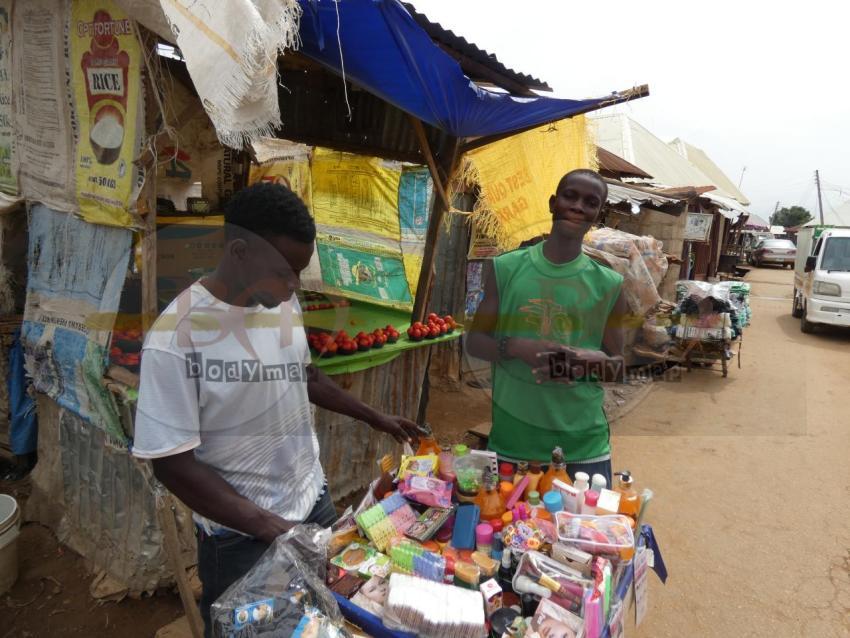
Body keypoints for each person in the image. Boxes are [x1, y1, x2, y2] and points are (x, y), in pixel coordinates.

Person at [131, 183, 420, 636]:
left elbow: (304, 375)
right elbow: (171, 465)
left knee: (318, 618)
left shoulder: (280, 302)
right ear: (241, 251)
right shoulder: (177, 339)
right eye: (286, 272)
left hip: (312, 502)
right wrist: (274, 528)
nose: (294, 286)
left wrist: (374, 416)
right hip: (242, 538)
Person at [467, 169, 627, 485]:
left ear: (597, 215)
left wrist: (591, 361)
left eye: (590, 202)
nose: (578, 206)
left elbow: (617, 368)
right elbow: (474, 342)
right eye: (570, 196)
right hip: (514, 443)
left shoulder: (609, 284)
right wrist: (514, 347)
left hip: (583, 449)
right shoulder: (506, 268)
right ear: (553, 203)